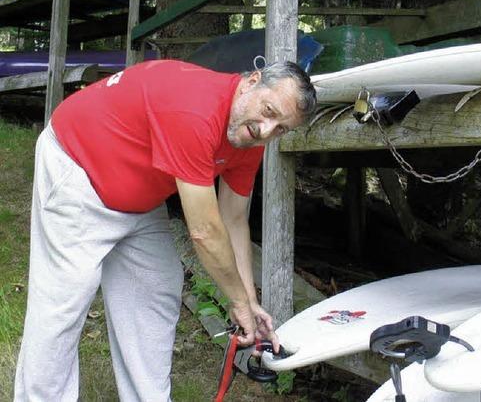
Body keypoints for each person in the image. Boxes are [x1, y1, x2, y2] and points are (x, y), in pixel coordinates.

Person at [13, 59, 316, 401]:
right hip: (80, 166)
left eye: (280, 128)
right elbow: (204, 230)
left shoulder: (248, 138)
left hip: (139, 193)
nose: (265, 129)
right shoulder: (196, 110)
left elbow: (233, 220)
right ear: (252, 81)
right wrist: (237, 301)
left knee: (157, 286)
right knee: (62, 304)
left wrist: (248, 302)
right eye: (268, 111)